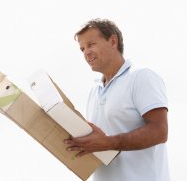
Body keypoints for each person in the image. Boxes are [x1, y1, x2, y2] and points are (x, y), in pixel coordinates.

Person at [64, 18, 170, 181]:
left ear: (113, 41)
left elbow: (160, 131)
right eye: (82, 48)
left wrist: (109, 142)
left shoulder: (141, 77)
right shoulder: (94, 91)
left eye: (91, 44)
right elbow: (98, 145)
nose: (86, 52)